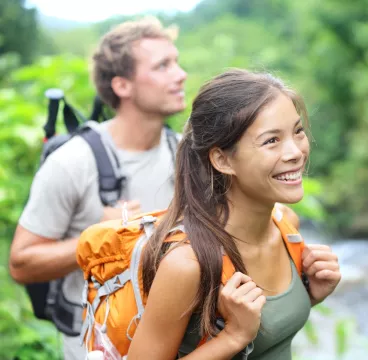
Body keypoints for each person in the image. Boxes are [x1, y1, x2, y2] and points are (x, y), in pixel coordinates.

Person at [128, 69, 341, 360]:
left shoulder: (285, 225)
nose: (296, 152)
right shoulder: (188, 265)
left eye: (298, 131)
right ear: (222, 159)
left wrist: (310, 294)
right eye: (271, 141)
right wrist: (234, 336)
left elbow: (269, 334)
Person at [9, 16, 187, 360]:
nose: (180, 74)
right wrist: (104, 237)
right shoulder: (73, 162)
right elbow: (21, 264)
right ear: (122, 86)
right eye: (163, 65)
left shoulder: (186, 154)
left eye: (176, 62)